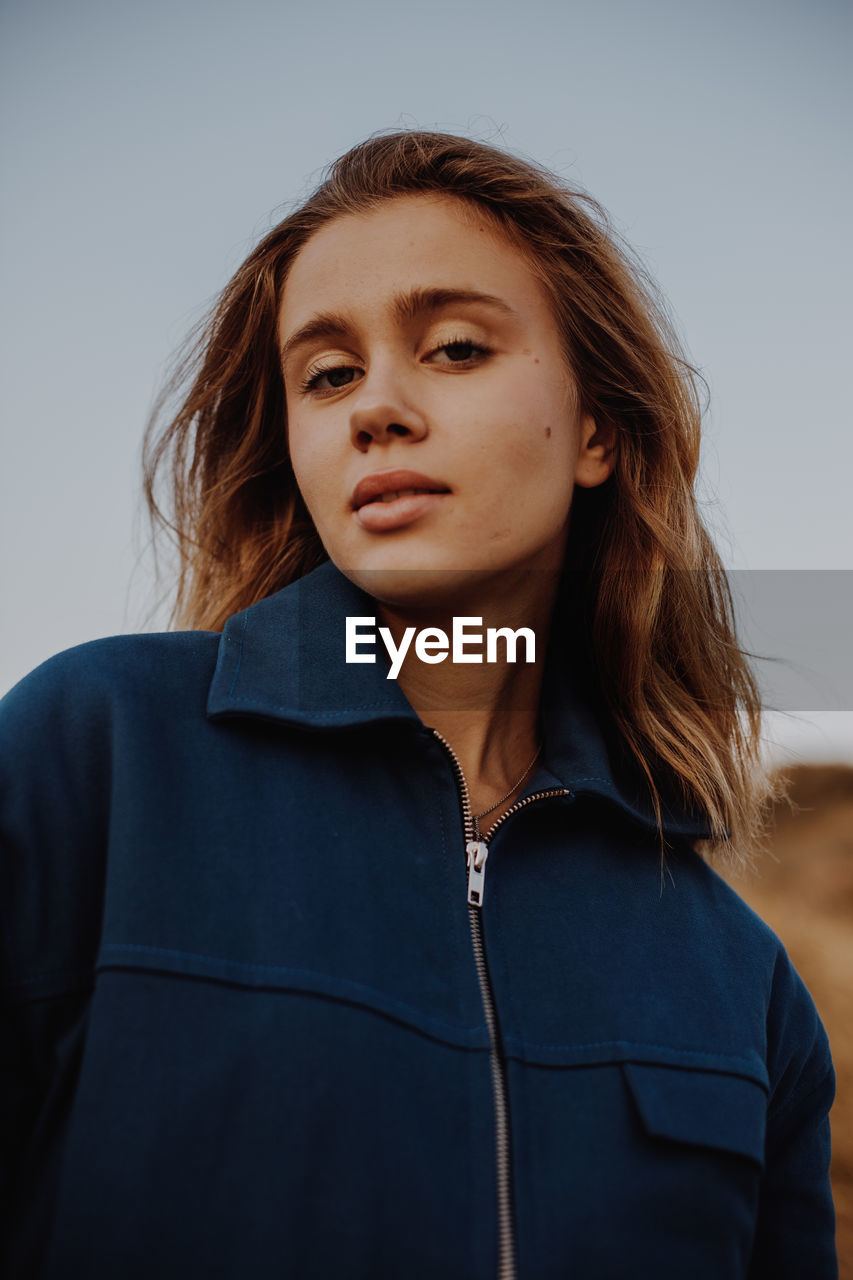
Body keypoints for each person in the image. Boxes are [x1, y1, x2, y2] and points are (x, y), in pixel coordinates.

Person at [0, 131, 837, 1279]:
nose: (375, 408)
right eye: (327, 374)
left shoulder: (738, 980)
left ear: (595, 429)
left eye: (452, 347)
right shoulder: (91, 754)